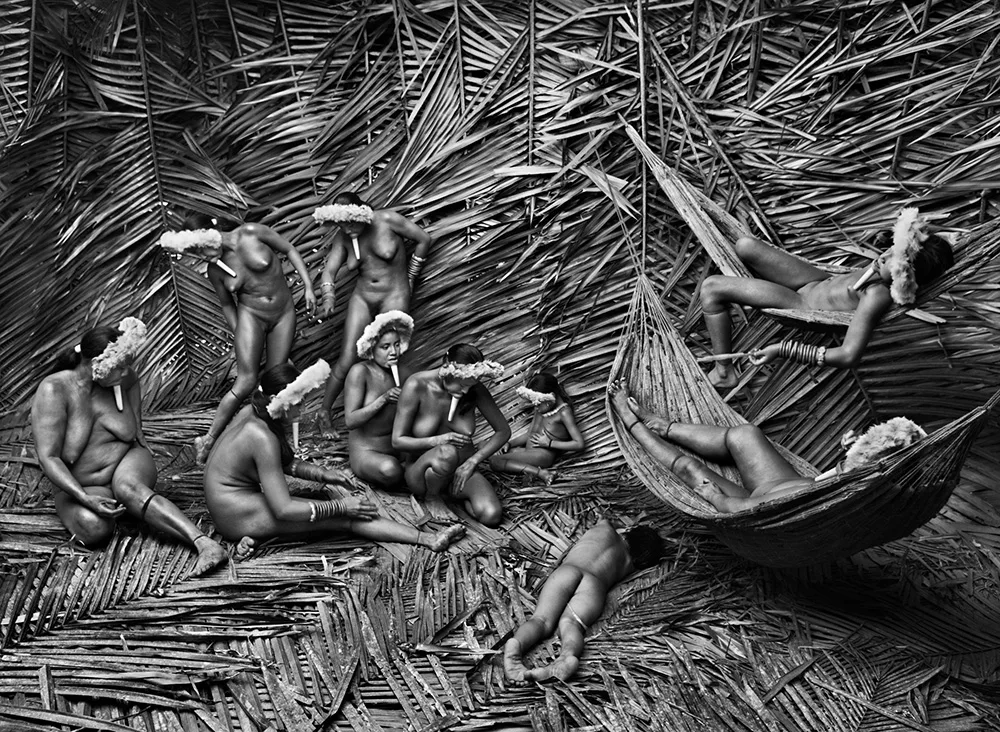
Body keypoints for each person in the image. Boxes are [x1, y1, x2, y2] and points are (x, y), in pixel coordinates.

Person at [203, 361, 464, 558]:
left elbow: (283, 463)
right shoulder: (261, 436)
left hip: (230, 502)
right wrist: (343, 507)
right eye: (297, 402)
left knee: (321, 508)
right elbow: (283, 508)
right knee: (345, 518)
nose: (302, 408)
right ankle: (429, 539)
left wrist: (323, 474)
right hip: (234, 513)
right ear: (275, 400)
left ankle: (259, 534)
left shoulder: (254, 410)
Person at [31, 319, 227, 576]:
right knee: (93, 528)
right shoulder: (54, 390)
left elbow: (131, 384)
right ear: (97, 365)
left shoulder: (123, 380)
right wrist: (84, 497)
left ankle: (203, 543)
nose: (127, 372)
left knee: (126, 487)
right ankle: (128, 506)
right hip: (87, 485)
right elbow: (48, 458)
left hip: (128, 463)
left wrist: (137, 430)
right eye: (120, 367)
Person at [699, 208, 954, 388]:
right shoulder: (883, 267)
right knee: (745, 245)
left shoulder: (876, 295)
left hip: (801, 304)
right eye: (890, 249)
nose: (884, 256)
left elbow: (848, 355)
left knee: (711, 288)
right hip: (815, 280)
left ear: (903, 279)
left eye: (893, 260)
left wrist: (783, 349)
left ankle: (724, 372)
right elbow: (932, 248)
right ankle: (750, 281)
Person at [609, 381, 927, 512]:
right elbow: (846, 471)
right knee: (745, 435)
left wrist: (714, 497)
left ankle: (634, 424)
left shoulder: (856, 494)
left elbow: (744, 508)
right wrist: (848, 452)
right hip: (783, 483)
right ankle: (663, 425)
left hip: (760, 505)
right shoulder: (859, 476)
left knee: (691, 469)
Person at [159, 213, 317, 462]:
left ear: (212, 234)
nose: (202, 257)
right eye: (195, 254)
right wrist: (239, 332)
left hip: (283, 313)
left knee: (276, 378)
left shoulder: (252, 233)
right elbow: (226, 304)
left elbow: (289, 248)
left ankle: (277, 440)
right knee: (246, 381)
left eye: (202, 249)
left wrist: (308, 287)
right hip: (250, 316)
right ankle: (208, 440)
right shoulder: (215, 271)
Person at [313, 192, 432, 438]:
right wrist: (329, 296)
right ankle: (324, 413)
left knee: (391, 356)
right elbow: (328, 272)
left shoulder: (388, 220)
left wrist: (411, 276)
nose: (346, 228)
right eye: (341, 224)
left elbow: (423, 239)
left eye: (351, 222)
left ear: (363, 213)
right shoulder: (343, 237)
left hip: (394, 295)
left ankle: (394, 421)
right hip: (363, 297)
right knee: (347, 358)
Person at [503, 518, 665, 682]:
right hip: (593, 586)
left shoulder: (605, 529)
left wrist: (618, 525)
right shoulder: (629, 564)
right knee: (570, 624)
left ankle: (516, 647)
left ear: (629, 531)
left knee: (541, 620)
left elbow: (605, 519)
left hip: (568, 571)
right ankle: (567, 657)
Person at [392, 344, 510, 527]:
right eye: (462, 384)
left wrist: (472, 462)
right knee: (446, 452)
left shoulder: (474, 389)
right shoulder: (417, 385)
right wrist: (437, 441)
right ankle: (432, 497)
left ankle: (455, 496)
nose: (465, 392)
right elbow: (397, 441)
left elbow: (503, 431)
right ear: (447, 367)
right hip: (424, 473)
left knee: (491, 515)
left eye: (471, 386)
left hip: (461, 471)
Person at [345, 311, 414, 489]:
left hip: (400, 451)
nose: (393, 352)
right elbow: (350, 421)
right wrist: (383, 399)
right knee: (391, 470)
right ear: (371, 349)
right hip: (368, 452)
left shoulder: (405, 374)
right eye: (385, 347)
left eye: (397, 345)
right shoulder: (360, 372)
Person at [489, 372, 586, 485]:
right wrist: (509, 443)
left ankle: (542, 473)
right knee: (486, 447)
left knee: (494, 461)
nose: (536, 406)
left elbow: (579, 444)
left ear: (550, 397)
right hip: (528, 452)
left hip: (542, 455)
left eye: (538, 403)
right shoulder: (541, 409)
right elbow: (529, 434)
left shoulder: (564, 413)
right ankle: (524, 466)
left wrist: (549, 443)